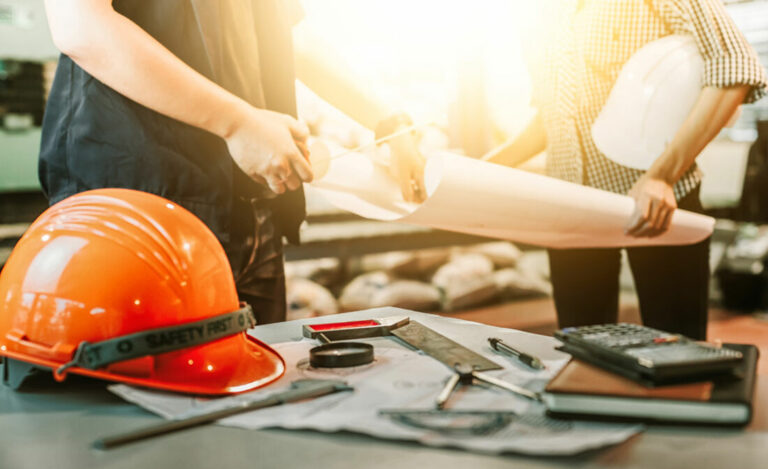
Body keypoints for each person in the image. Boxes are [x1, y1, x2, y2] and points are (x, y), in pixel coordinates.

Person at [40, 0, 424, 325]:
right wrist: (237, 123)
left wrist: (385, 119)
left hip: (251, 210)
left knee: (258, 391)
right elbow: (81, 25)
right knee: (147, 400)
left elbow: (287, 32)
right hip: (142, 207)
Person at [485, 0, 767, 339]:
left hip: (659, 203)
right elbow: (553, 115)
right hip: (572, 209)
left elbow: (735, 68)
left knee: (675, 349)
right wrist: (482, 169)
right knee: (583, 349)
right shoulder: (540, 15)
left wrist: (662, 176)